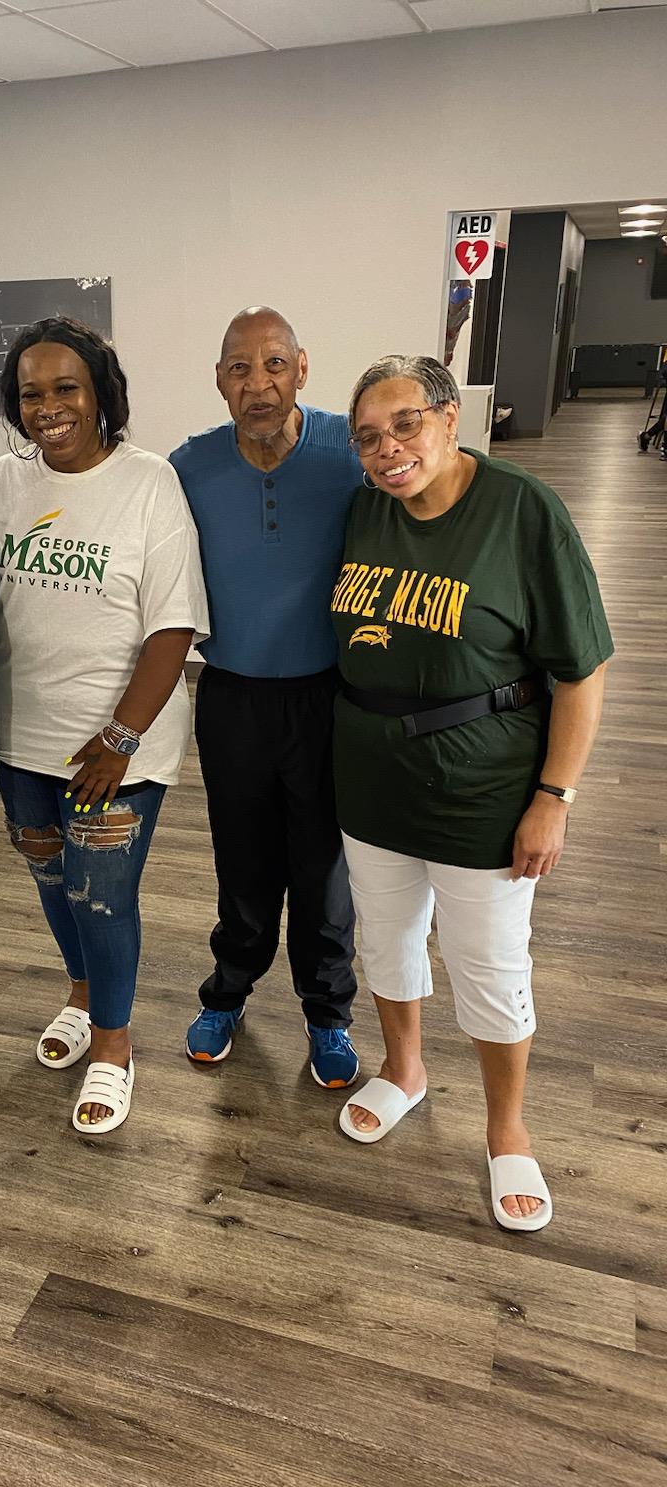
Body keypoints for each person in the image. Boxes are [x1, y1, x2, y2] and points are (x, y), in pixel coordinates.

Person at [332, 353, 612, 1232]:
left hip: (483, 788)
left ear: (451, 418)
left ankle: (506, 1128)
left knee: (491, 965)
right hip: (372, 778)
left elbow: (582, 672)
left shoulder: (523, 512)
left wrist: (554, 797)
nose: (388, 450)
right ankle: (405, 1069)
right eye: (369, 437)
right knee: (387, 942)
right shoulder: (364, 510)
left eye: (406, 424)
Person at [0, 317, 209, 1134]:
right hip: (19, 740)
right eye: (30, 393)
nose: (49, 407)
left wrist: (119, 740)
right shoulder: (2, 482)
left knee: (103, 896)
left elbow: (172, 628)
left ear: (101, 391)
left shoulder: (149, 484)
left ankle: (114, 1044)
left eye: (66, 387)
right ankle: (81, 992)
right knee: (49, 880)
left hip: (118, 745)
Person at [170, 307, 360, 1085]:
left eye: (274, 364)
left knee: (323, 869)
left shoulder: (351, 451)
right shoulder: (188, 467)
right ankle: (230, 990)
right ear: (219, 380)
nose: (259, 384)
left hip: (328, 696)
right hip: (233, 696)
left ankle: (328, 1013)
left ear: (303, 368)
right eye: (240, 369)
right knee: (242, 859)